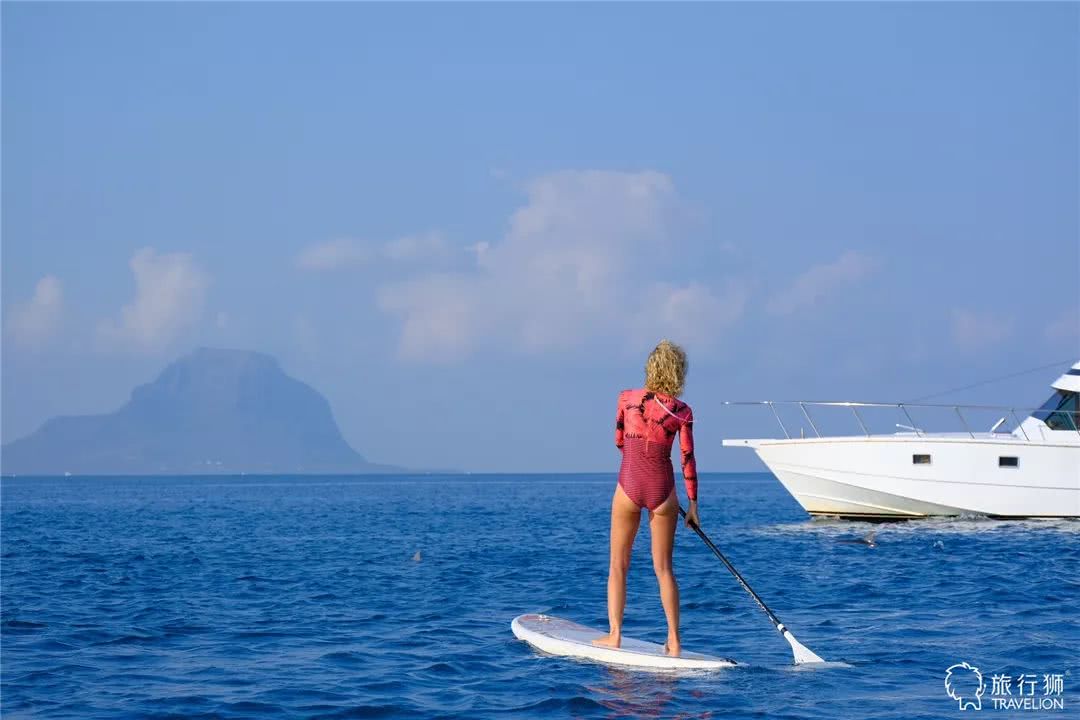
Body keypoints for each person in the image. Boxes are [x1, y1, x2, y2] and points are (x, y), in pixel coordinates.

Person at [593, 340, 698, 656]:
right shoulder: (682, 411)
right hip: (664, 491)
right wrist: (692, 506)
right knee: (664, 568)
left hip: (629, 484)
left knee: (618, 564)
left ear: (650, 369)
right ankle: (675, 641)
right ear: (678, 373)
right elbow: (687, 459)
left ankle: (615, 635)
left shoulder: (626, 398)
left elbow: (618, 440)